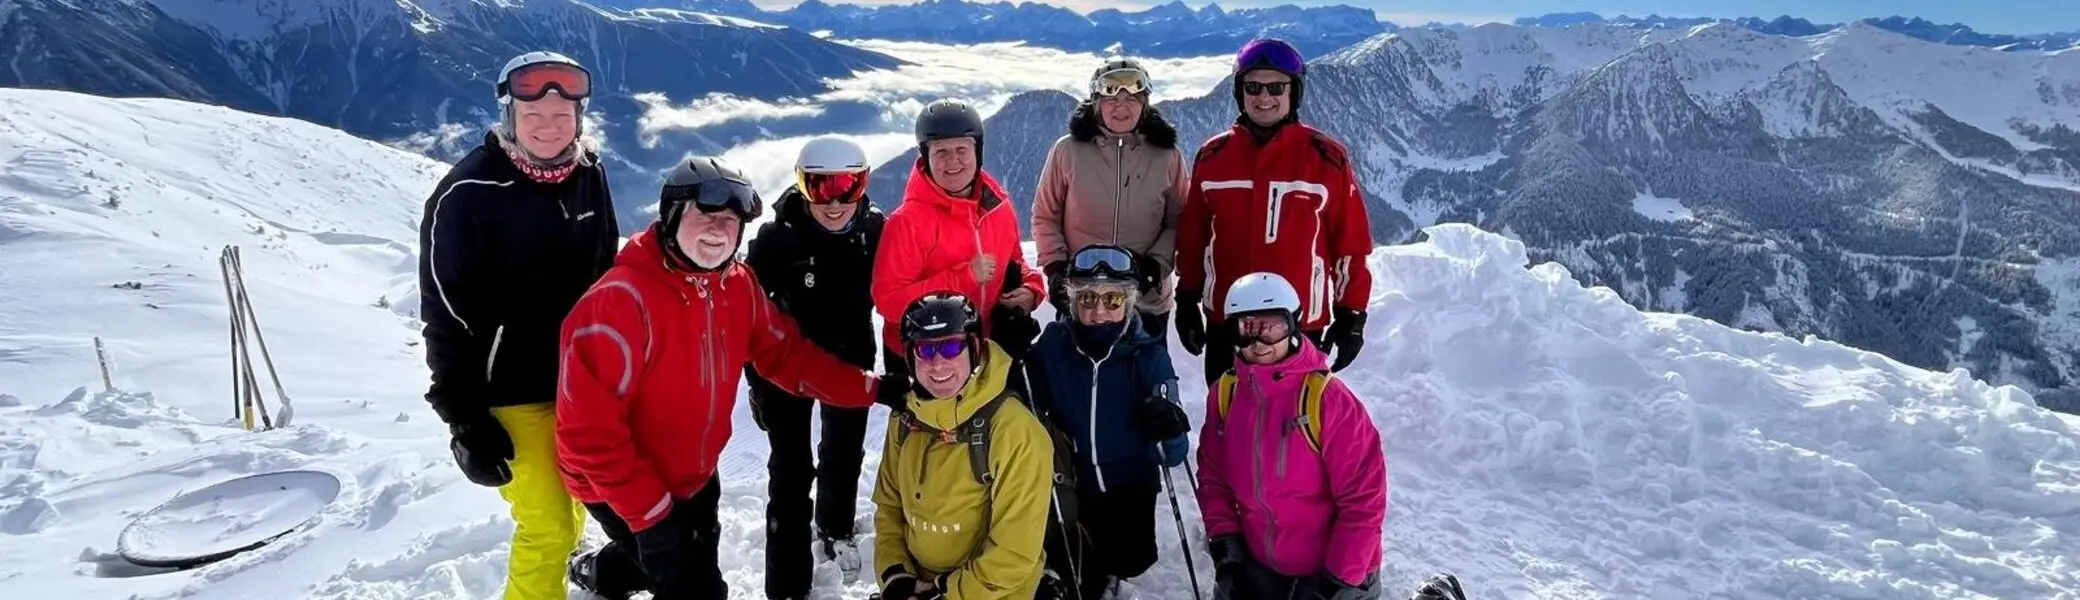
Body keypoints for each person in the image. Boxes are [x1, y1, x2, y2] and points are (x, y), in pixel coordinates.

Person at [555, 156, 903, 600]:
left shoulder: (735, 286)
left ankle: (600, 571)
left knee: (673, 558)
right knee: (693, 582)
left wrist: (872, 388)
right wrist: (651, 516)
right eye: (705, 215)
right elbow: (589, 438)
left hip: (694, 473)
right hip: (621, 485)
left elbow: (789, 357)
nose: (718, 230)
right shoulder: (619, 303)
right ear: (671, 216)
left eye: (731, 220)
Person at [415, 50, 618, 600]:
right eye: (534, 116)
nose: (549, 128)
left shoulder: (589, 173)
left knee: (575, 496)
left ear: (579, 117)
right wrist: (464, 419)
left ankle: (571, 569)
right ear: (509, 116)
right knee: (546, 525)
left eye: (561, 116)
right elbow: (445, 315)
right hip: (509, 394)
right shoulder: (467, 195)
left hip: (581, 383)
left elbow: (607, 275)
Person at [1173, 38, 1375, 385]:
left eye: (1276, 87)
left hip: (1300, 322)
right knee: (1227, 411)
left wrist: (1351, 313)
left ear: (1294, 92)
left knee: (1297, 414)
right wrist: (1187, 298)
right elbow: (1194, 237)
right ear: (1240, 92)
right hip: (1228, 321)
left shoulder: (1326, 158)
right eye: (1253, 87)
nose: (1264, 97)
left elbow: (1350, 245)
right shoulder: (1214, 157)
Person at [742, 137, 886, 595]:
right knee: (790, 469)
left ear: (864, 185)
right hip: (785, 367)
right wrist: (756, 383)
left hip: (850, 358)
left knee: (844, 452)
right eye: (821, 188)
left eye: (849, 187)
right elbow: (747, 315)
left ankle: (834, 528)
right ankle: (787, 584)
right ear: (802, 186)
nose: (835, 202)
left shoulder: (874, 231)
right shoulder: (778, 239)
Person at [1195, 273, 1388, 600]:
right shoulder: (1227, 394)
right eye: (1245, 329)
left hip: (1336, 571)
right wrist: (1228, 554)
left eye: (1271, 327)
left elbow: (1363, 501)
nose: (1258, 343)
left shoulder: (1327, 400)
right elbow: (1214, 479)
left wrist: (1335, 584)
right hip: (1262, 565)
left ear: (1294, 326)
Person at [1024, 245, 1193, 600]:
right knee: (1075, 574)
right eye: (1087, 298)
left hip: (1129, 488)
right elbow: (1021, 398)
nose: (1099, 311)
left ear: (1129, 302)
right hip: (1073, 487)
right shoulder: (1054, 347)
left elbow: (1174, 454)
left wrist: (1170, 425)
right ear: (1073, 301)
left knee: (1131, 561)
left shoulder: (1147, 356)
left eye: (1112, 300)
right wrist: (1015, 354)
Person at [872, 293, 1055, 600]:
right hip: (918, 585)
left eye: (951, 347)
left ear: (974, 349)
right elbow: (889, 507)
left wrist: (947, 593)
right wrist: (895, 574)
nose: (938, 363)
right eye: (925, 349)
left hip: (995, 592)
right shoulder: (905, 419)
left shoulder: (1014, 430)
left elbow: (1014, 553)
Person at [872, 99, 1047, 395]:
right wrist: (964, 277)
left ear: (977, 152)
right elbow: (889, 302)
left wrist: (1032, 289)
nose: (952, 161)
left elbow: (1015, 262)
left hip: (985, 351)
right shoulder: (907, 222)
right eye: (941, 152)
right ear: (925, 157)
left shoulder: (997, 206)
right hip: (926, 361)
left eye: (961, 150)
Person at [1031, 58, 1187, 339]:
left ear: (1145, 103)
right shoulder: (1068, 151)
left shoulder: (1166, 155)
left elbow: (1179, 220)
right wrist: (1056, 270)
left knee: (1146, 367)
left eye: (1132, 98)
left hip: (1145, 298)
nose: (1121, 106)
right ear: (1096, 103)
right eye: (1111, 97)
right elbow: (1046, 215)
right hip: (1083, 297)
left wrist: (1155, 266)